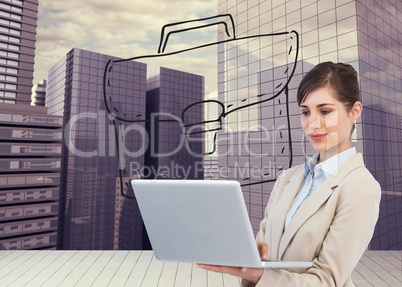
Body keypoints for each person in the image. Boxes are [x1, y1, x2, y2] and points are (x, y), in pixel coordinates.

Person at [197, 61, 381, 286]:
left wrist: (259, 275)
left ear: (354, 111)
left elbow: (328, 280)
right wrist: (247, 262)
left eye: (325, 111)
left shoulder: (360, 188)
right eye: (305, 112)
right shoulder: (287, 179)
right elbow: (262, 258)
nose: (312, 124)